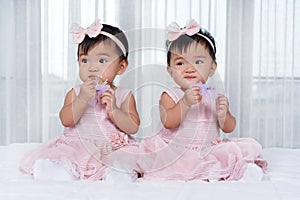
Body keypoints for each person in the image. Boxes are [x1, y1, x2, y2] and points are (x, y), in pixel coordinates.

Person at [137, 19, 267, 181]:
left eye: (198, 61)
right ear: (170, 71)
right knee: (163, 162)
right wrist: (185, 102)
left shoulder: (213, 95)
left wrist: (223, 113)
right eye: (180, 63)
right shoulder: (170, 95)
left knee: (232, 152)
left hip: (207, 149)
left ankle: (243, 171)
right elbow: (169, 122)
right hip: (176, 150)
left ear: (212, 68)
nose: (189, 68)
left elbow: (228, 127)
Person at [19, 19, 140, 181]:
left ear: (121, 67)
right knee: (66, 157)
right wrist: (82, 99)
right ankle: (60, 171)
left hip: (109, 147)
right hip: (77, 145)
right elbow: (66, 120)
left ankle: (116, 174)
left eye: (102, 60)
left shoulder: (123, 95)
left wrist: (114, 110)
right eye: (84, 60)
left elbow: (132, 127)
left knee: (121, 161)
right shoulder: (75, 92)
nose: (92, 67)